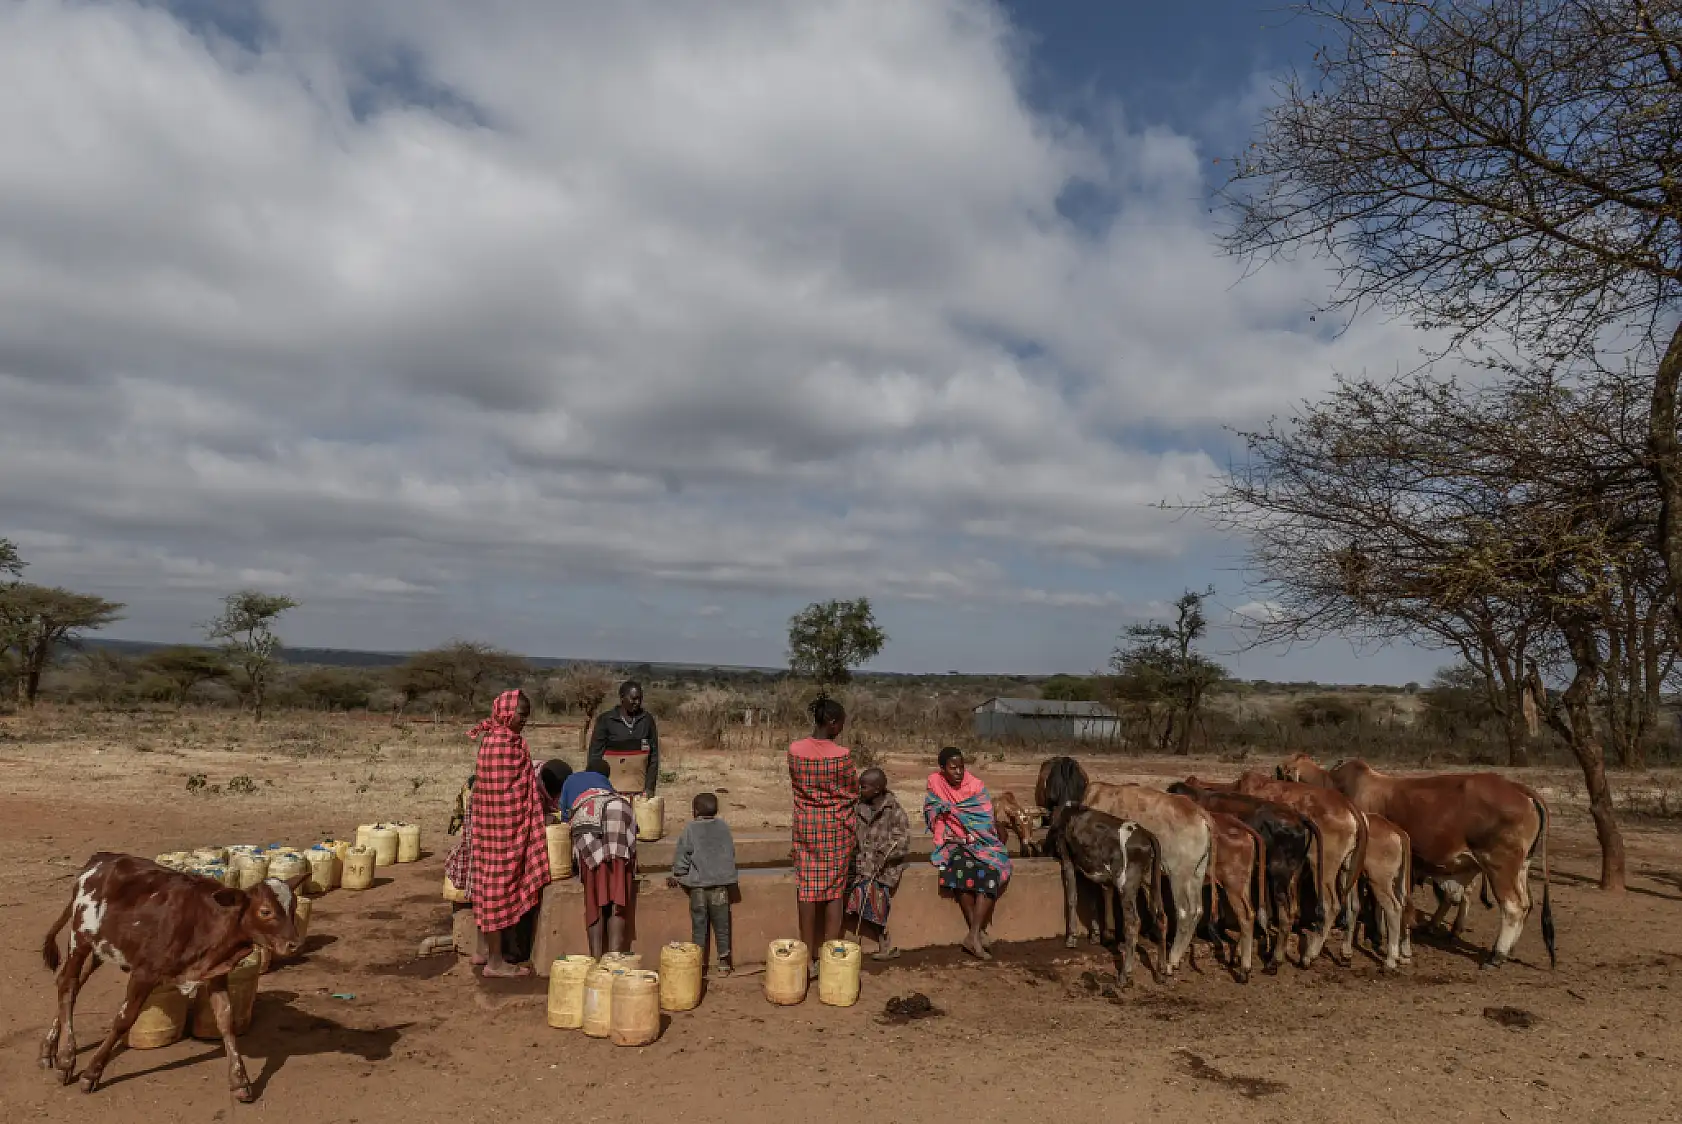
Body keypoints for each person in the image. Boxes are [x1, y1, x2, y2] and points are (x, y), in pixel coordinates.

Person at [466, 689, 551, 977]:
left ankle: (481, 950)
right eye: (521, 714)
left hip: (487, 827)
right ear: (506, 712)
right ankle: (496, 962)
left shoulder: (492, 739)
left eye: (526, 715)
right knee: (497, 888)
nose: (524, 720)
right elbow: (508, 793)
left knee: (486, 883)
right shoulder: (505, 745)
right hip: (503, 829)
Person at [788, 697, 858, 979]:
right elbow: (851, 790)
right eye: (840, 722)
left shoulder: (794, 750)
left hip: (806, 825)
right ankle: (831, 955)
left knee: (807, 887)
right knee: (834, 890)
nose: (841, 727)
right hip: (837, 827)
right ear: (831, 723)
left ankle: (807, 957)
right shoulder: (842, 755)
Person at [924, 746, 1012, 961]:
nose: (958, 772)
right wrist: (947, 836)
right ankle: (978, 934)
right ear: (942, 769)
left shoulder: (975, 787)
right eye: (953, 768)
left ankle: (972, 935)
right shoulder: (935, 782)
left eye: (961, 767)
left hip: (980, 841)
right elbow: (933, 812)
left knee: (991, 872)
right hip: (952, 843)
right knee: (959, 873)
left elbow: (983, 820)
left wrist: (970, 837)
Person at [557, 762, 637, 956]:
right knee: (618, 898)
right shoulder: (608, 786)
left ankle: (596, 960)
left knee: (594, 898)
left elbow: (564, 821)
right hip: (620, 811)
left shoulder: (570, 781)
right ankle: (614, 959)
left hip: (587, 821)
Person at [666, 792, 737, 977]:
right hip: (721, 886)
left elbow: (683, 855)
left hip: (698, 887)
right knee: (722, 926)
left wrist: (678, 873)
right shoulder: (723, 827)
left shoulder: (690, 829)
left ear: (695, 811)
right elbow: (730, 852)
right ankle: (724, 962)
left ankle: (698, 964)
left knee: (699, 925)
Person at [845, 767, 911, 961]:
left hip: (884, 868)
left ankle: (883, 940)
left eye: (863, 787)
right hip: (859, 863)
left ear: (877, 789)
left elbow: (903, 840)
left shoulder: (895, 811)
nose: (860, 790)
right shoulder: (857, 807)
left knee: (871, 891)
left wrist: (884, 854)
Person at [587, 680, 660, 797]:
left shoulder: (647, 720)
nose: (637, 702)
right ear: (622, 698)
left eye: (640, 699)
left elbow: (654, 757)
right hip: (610, 790)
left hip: (639, 790)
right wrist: (595, 787)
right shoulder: (606, 720)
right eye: (633, 699)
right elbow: (594, 756)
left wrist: (650, 788)